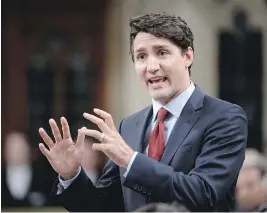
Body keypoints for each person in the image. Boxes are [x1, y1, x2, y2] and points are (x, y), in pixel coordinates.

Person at [38, 13, 248, 212]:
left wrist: (131, 161)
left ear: (187, 56)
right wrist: (72, 175)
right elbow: (103, 208)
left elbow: (204, 193)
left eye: (162, 53)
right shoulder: (128, 126)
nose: (151, 66)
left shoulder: (225, 117)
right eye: (141, 56)